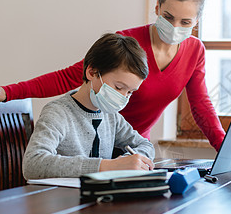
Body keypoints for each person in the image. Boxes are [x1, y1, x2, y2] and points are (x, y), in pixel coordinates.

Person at [0, 0, 226, 152]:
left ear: (196, 22)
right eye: (168, 16)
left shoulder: (195, 52)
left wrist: (223, 147)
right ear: (157, 7)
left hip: (135, 148)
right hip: (96, 144)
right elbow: (70, 76)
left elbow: (201, 105)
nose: (174, 27)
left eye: (185, 22)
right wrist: (9, 92)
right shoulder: (128, 43)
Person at [22, 33, 155, 179]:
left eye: (130, 92)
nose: (123, 97)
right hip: (63, 198)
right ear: (92, 72)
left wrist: (131, 161)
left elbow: (146, 145)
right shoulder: (58, 112)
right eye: (118, 87)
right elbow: (32, 163)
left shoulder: (111, 116)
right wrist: (107, 166)